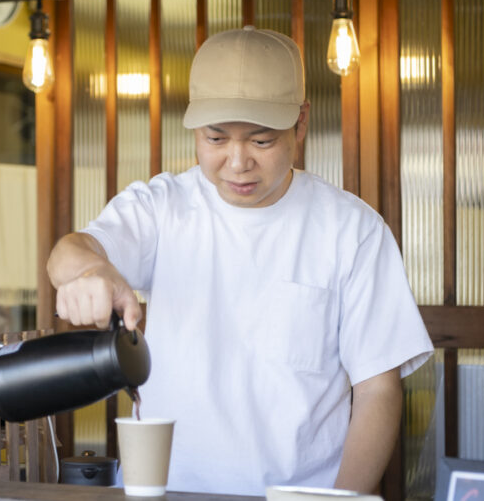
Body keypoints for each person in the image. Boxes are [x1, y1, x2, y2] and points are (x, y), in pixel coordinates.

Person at [47, 26, 434, 496]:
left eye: (261, 141)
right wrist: (91, 272)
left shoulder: (352, 230)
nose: (237, 162)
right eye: (215, 139)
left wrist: (340, 499)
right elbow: (69, 253)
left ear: (301, 122)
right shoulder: (164, 207)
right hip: (168, 490)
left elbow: (377, 388)